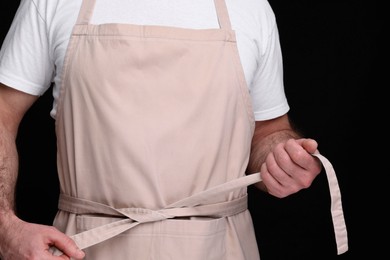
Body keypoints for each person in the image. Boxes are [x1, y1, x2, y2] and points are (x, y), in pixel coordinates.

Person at [0, 0, 348, 259]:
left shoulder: (250, 8)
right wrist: (6, 228)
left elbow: (269, 130)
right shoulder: (53, 3)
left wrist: (280, 155)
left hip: (219, 249)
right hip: (84, 248)